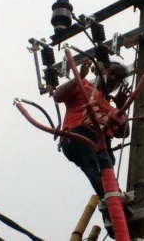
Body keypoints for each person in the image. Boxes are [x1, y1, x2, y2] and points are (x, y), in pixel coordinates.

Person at [53, 61, 131, 199]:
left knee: (106, 169)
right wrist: (79, 77)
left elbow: (123, 133)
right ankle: (110, 199)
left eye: (117, 78)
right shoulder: (84, 86)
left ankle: (112, 202)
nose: (112, 79)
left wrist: (121, 108)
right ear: (102, 71)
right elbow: (58, 96)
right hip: (78, 136)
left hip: (101, 145)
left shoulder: (111, 108)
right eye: (111, 73)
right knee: (93, 162)